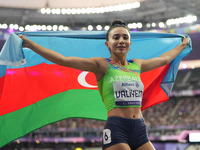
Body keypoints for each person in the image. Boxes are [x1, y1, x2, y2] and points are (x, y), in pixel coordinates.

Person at [19, 19, 189, 150]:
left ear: (130, 44)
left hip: (140, 128)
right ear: (108, 44)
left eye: (125, 37)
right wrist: (31, 44)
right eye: (116, 37)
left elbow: (165, 59)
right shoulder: (101, 65)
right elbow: (63, 60)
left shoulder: (138, 65)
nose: (121, 40)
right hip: (117, 129)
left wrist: (182, 45)